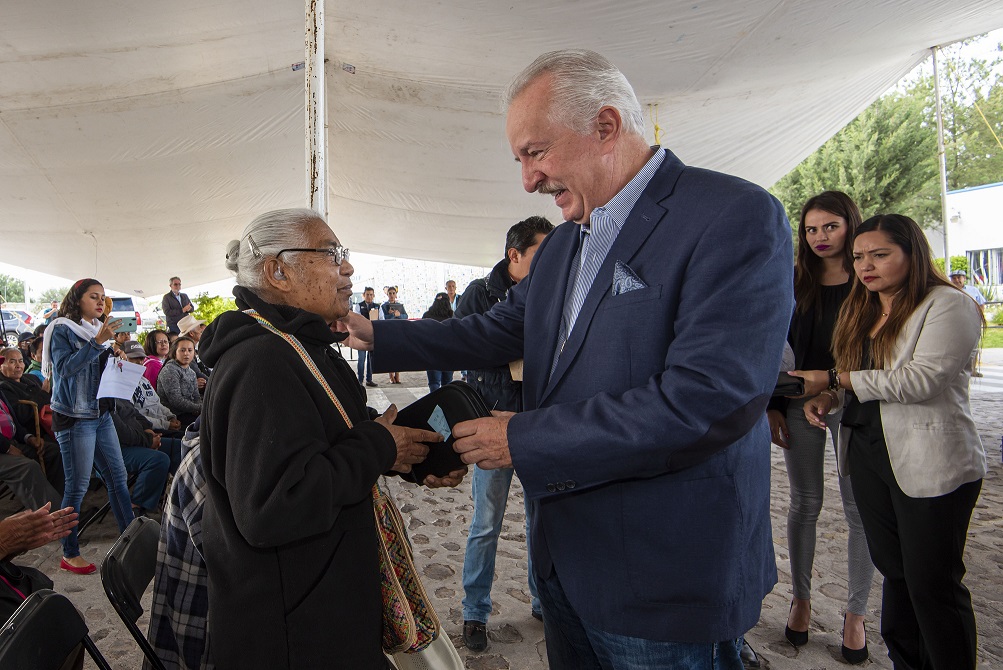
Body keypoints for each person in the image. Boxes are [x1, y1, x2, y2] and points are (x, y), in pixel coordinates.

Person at [340, 50, 793, 669]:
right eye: (520, 159)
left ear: (606, 127)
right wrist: (378, 335)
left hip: (664, 573)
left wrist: (522, 438)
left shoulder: (732, 216)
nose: (528, 180)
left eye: (536, 152)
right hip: (564, 564)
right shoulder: (563, 245)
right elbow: (498, 328)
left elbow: (709, 400)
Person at [199, 208, 462, 669]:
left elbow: (346, 437)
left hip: (329, 606)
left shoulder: (305, 346)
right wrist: (381, 447)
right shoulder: (260, 363)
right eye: (331, 254)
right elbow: (273, 506)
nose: (348, 268)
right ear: (278, 271)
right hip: (293, 634)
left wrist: (413, 457)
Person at [800, 214, 986, 670]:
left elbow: (921, 380)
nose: (866, 266)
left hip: (931, 460)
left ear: (912, 253)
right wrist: (829, 395)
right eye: (860, 256)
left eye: (880, 255)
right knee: (897, 576)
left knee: (932, 584)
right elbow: (861, 379)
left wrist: (833, 377)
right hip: (867, 452)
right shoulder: (862, 308)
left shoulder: (948, 304)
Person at [767, 192, 874, 664]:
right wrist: (773, 404)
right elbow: (773, 343)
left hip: (857, 400)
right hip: (797, 399)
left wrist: (838, 388)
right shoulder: (794, 281)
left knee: (858, 509)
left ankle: (856, 614)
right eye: (811, 229)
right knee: (805, 502)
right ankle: (802, 600)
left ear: (851, 225)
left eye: (830, 227)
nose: (820, 237)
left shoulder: (870, 281)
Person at [454, 215, 553, 651]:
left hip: (536, 426)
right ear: (514, 254)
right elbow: (467, 347)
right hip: (494, 422)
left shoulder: (554, 289)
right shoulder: (479, 293)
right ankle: (475, 612)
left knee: (542, 521)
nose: (551, 260)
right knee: (486, 522)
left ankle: (542, 599)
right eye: (541, 252)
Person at [43, 278, 134, 575]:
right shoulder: (61, 329)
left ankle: (130, 542)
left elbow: (96, 369)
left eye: (103, 298)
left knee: (118, 478)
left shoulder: (97, 330)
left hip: (101, 413)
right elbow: (66, 369)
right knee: (78, 486)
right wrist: (98, 344)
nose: (100, 302)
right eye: (93, 297)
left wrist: (114, 354)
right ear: (77, 299)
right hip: (75, 417)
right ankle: (69, 553)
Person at [146, 424, 213, 670]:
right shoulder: (210, 466)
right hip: (201, 639)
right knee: (159, 459)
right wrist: (145, 433)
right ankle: (135, 508)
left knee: (167, 451)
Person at [0, 348, 64, 494]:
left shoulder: (31, 379)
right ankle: (59, 500)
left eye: (21, 361)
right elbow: (22, 415)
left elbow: (50, 400)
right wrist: (42, 394)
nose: (18, 365)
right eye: (12, 361)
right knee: (58, 450)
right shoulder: (4, 387)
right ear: (1, 366)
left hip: (40, 427)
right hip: (33, 430)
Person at [110, 398, 171, 515]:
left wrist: (148, 429)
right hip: (116, 451)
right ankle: (136, 507)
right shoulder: (103, 399)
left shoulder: (119, 394)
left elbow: (136, 414)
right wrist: (148, 441)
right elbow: (122, 433)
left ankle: (169, 497)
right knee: (158, 460)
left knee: (178, 447)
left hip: (138, 441)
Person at [157, 336, 202, 427]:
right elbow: (176, 401)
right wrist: (202, 408)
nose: (186, 353)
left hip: (189, 412)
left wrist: (199, 408)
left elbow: (196, 396)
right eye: (182, 350)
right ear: (175, 352)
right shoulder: (170, 370)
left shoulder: (191, 372)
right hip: (174, 416)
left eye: (190, 350)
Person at [421, 293, 454, 392]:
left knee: (434, 382)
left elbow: (422, 334)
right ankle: (446, 404)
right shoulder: (451, 316)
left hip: (432, 353)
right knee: (447, 383)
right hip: (449, 353)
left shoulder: (427, 315)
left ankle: (434, 404)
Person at [352, 287, 381, 387]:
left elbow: (382, 319)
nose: (369, 296)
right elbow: (356, 319)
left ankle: (369, 379)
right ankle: (359, 380)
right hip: (361, 336)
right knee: (361, 359)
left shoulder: (378, 307)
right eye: (367, 294)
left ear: (374, 295)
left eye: (371, 294)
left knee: (370, 359)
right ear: (363, 295)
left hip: (373, 335)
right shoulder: (358, 306)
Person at [381, 287, 407, 384]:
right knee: (390, 353)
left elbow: (406, 316)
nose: (392, 295)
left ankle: (398, 374)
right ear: (387, 295)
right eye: (390, 293)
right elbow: (382, 318)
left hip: (399, 331)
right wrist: (392, 315)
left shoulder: (400, 305)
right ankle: (391, 375)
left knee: (399, 353)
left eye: (393, 293)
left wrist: (399, 314)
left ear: (396, 294)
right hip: (389, 331)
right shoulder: (384, 306)